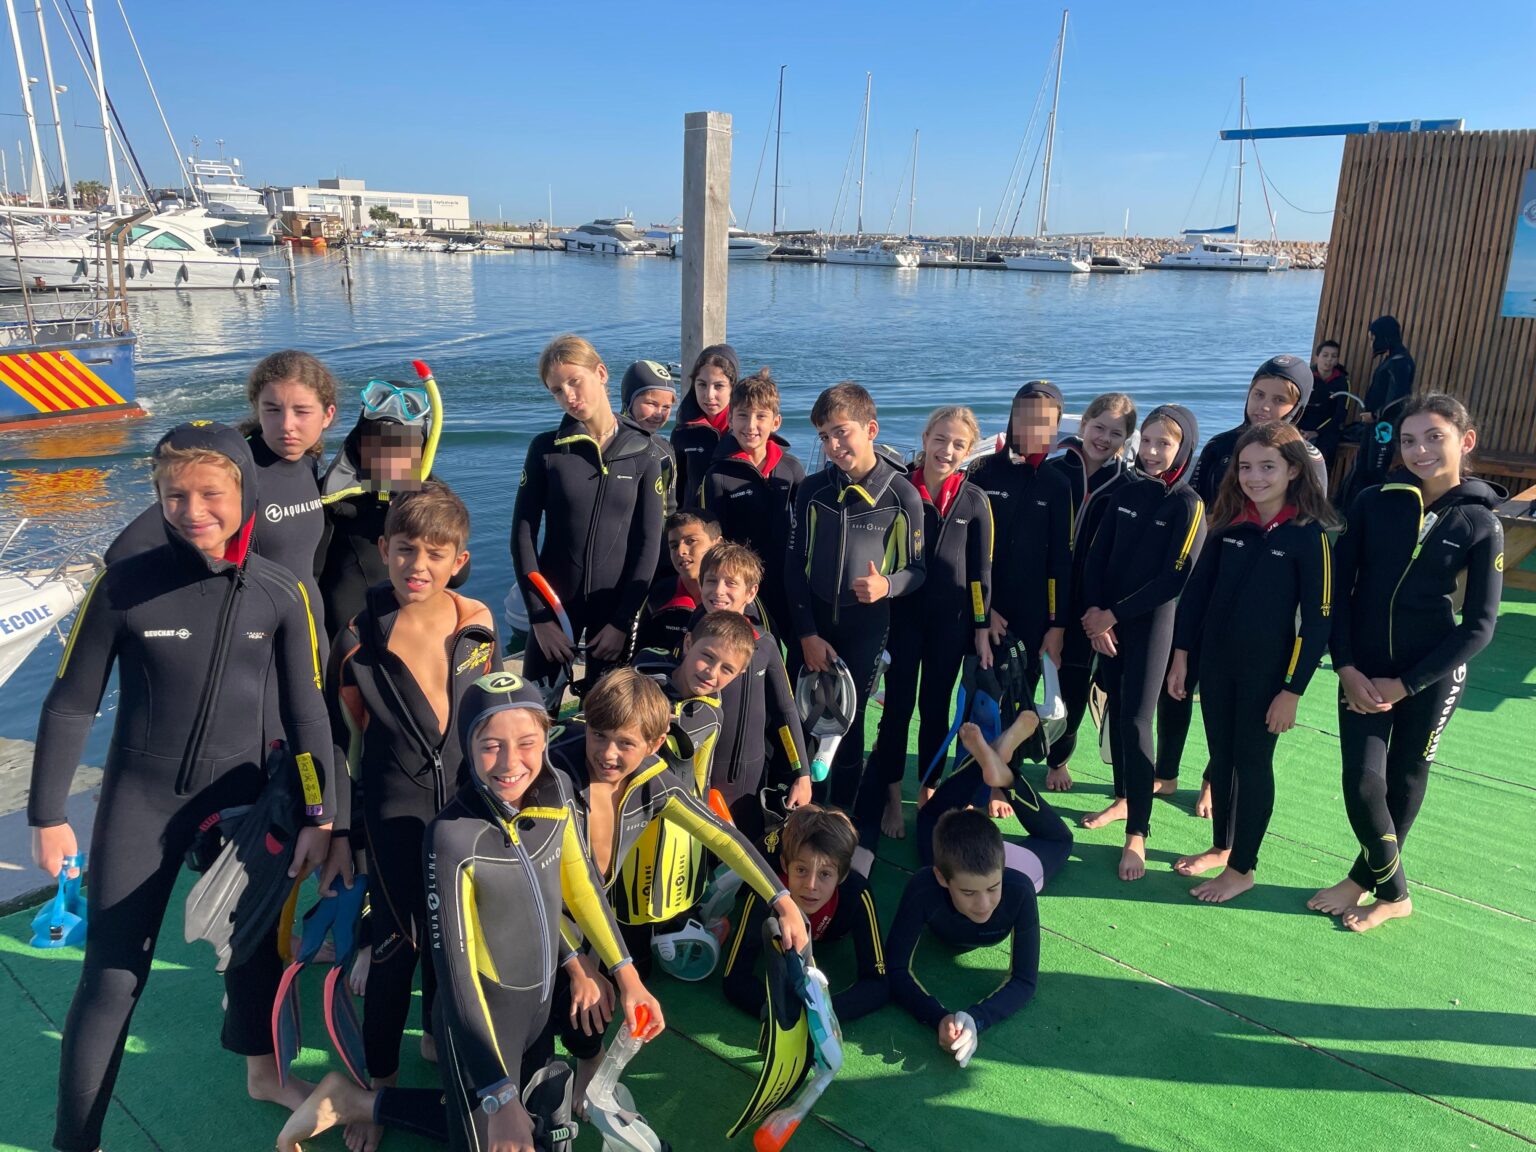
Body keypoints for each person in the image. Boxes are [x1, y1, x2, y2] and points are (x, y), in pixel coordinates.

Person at [29, 422, 335, 1152]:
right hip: (140, 799)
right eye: (175, 496)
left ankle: (264, 1075)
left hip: (244, 799)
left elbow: (307, 713)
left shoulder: (281, 591)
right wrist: (47, 813)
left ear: (245, 494)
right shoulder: (122, 587)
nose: (193, 510)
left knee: (253, 952)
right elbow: (69, 703)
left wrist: (322, 813)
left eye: (211, 494)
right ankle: (75, 1142)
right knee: (113, 978)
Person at [275, 671, 665, 1152]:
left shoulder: (557, 791)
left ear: (547, 739)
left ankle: (357, 1102)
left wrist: (627, 976)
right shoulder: (453, 837)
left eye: (527, 743)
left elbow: (582, 888)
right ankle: (362, 1102)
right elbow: (455, 974)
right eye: (490, 746)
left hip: (538, 1011)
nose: (510, 763)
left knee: (540, 1134)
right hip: (477, 1026)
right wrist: (499, 1097)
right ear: (467, 745)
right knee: (487, 1132)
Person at [324, 481, 497, 1145]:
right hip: (393, 809)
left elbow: (491, 715)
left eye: (434, 553)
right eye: (404, 550)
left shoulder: (477, 621)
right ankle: (376, 1085)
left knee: (456, 939)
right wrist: (342, 830)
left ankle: (432, 1034)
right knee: (398, 948)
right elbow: (341, 742)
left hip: (466, 808)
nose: (416, 565)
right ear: (383, 548)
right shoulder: (357, 638)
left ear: (459, 560)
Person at [547, 669, 808, 1100]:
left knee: (593, 997)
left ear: (654, 744)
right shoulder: (554, 780)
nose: (607, 754)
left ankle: (588, 1056)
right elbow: (532, 891)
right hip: (527, 905)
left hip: (589, 907)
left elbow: (722, 837)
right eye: (598, 735)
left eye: (625, 743)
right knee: (546, 1003)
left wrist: (782, 900)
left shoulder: (654, 779)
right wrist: (578, 964)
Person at [1309, 393, 1503, 931]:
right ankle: (1395, 892)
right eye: (1409, 440)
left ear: (1465, 441)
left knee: (1404, 779)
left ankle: (1364, 882)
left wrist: (1407, 685)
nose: (1420, 451)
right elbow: (1337, 593)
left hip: (1430, 677)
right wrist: (1346, 666)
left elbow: (1480, 626)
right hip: (1363, 670)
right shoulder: (1374, 502)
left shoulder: (1480, 522)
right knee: (1362, 783)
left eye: (1434, 437)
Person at [1166, 423, 1338, 903]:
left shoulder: (1309, 536)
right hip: (1217, 665)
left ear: (1294, 471)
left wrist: (1292, 691)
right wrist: (1181, 657)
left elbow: (1318, 623)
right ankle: (1222, 846)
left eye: (1267, 467)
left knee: (1252, 762)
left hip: (1268, 674)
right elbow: (1195, 598)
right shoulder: (1229, 525)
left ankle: (1243, 869)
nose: (1255, 477)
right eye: (1246, 467)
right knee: (1221, 758)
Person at [1164, 354, 1326, 814]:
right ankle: (1166, 771)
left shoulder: (1306, 459)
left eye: (1279, 399)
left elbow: (1307, 525)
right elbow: (1193, 506)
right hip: (1208, 578)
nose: (1264, 406)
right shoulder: (1220, 447)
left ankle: (1213, 778)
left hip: (1261, 604)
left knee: (1240, 715)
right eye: (1258, 394)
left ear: (1298, 407)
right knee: (1179, 685)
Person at [107, 350, 338, 639]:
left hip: (309, 632)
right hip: (253, 638)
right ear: (257, 408)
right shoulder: (237, 471)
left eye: (301, 411)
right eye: (272, 410)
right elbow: (126, 549)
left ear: (327, 415)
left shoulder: (308, 463)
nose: (287, 425)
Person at [885, 713, 1067, 1067]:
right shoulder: (926, 885)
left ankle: (1002, 773)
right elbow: (895, 969)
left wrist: (976, 1019)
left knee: (1061, 841)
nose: (984, 905)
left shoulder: (1017, 888)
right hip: (960, 857)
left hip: (1005, 864)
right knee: (931, 816)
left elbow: (1025, 980)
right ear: (943, 879)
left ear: (1003, 871)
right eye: (968, 893)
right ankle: (998, 768)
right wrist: (938, 1017)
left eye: (991, 889)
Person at [783, 381, 926, 818]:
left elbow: (918, 570)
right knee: (800, 714)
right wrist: (806, 635)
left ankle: (841, 813)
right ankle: (801, 807)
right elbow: (794, 568)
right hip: (812, 624)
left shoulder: (902, 495)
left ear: (871, 429)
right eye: (824, 436)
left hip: (865, 628)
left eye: (841, 431)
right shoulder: (812, 490)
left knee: (848, 721)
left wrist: (888, 586)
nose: (832, 445)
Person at [1079, 405, 1206, 881]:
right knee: (1114, 708)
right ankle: (1122, 798)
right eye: (1146, 441)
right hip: (1106, 624)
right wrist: (1095, 616)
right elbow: (1095, 557)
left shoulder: (1188, 504)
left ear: (1183, 448)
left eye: (1163, 444)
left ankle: (1138, 833)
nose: (1151, 452)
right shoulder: (1126, 492)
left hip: (1151, 625)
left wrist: (1110, 615)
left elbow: (1175, 578)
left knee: (1136, 721)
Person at [512, 335, 664, 707]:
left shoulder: (644, 452)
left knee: (606, 719)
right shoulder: (547, 450)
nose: (568, 395)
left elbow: (648, 544)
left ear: (601, 373)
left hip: (613, 617)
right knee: (533, 713)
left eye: (574, 381)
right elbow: (522, 535)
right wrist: (539, 619)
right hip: (554, 610)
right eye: (557, 390)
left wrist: (622, 621)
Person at [866, 406, 993, 841]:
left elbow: (981, 573)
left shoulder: (974, 500)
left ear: (969, 450)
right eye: (940, 439)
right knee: (897, 709)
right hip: (903, 620)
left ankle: (927, 790)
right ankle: (891, 794)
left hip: (950, 624)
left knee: (935, 710)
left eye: (958, 444)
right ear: (924, 438)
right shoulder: (899, 490)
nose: (947, 450)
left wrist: (980, 628)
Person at [317, 373, 465, 645]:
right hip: (347, 640)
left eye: (401, 446)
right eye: (379, 444)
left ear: (421, 449)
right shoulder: (329, 499)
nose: (390, 457)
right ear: (359, 445)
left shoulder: (433, 500)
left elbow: (458, 575)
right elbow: (308, 576)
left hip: (416, 638)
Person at [1043, 392, 1137, 792]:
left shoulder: (1127, 487)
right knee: (1020, 676)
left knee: (1073, 685)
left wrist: (1106, 612)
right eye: (1098, 427)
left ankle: (1058, 759)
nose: (1104, 438)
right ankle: (1006, 753)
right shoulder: (1052, 471)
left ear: (1126, 440)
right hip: (1040, 593)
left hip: (1087, 604)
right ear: (1083, 425)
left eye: (1116, 433)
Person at [721, 804, 888, 1023]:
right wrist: (786, 1012)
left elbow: (878, 983)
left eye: (825, 874)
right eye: (801, 870)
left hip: (847, 880)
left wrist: (823, 1014)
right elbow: (734, 979)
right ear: (785, 865)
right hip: (770, 848)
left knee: (867, 844)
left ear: (842, 875)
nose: (811, 885)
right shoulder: (765, 892)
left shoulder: (856, 893)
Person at [697, 542, 811, 840]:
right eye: (711, 580)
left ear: (751, 593)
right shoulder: (688, 640)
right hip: (694, 776)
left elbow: (785, 712)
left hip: (746, 781)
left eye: (730, 583)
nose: (718, 590)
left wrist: (801, 773)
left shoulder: (764, 645)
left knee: (745, 852)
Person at [970, 381, 1074, 674]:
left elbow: (1060, 561)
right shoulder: (981, 471)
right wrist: (983, 612)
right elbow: (966, 550)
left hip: (1032, 615)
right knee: (978, 695)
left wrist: (1057, 627)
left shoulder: (1057, 484)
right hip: (982, 609)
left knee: (1022, 696)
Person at [699, 367, 806, 636]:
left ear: (776, 422)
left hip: (787, 576)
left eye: (761, 416)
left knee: (796, 642)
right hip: (742, 584)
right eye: (743, 416)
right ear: (730, 419)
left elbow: (807, 525)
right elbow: (715, 540)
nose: (750, 426)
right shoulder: (718, 475)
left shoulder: (791, 468)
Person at [1342, 315, 1416, 506]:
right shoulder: (1392, 358)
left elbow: (1399, 398)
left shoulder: (1400, 362)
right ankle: (1354, 509)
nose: (1372, 343)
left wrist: (1375, 415)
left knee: (1375, 470)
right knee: (1363, 467)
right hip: (1376, 426)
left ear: (1384, 336)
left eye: (1373, 338)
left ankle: (1370, 510)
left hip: (1384, 427)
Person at [621, 358, 681, 584]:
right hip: (614, 553)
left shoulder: (665, 451)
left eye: (666, 407)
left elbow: (670, 509)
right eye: (651, 403)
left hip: (655, 556)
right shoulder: (609, 446)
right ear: (628, 400)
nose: (659, 413)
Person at [633, 510, 719, 655]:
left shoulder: (737, 596)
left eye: (691, 541)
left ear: (717, 544)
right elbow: (642, 657)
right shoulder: (660, 596)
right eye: (674, 546)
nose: (680, 551)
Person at [671, 343, 738, 509]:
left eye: (719, 386)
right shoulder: (683, 432)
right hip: (695, 522)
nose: (709, 395)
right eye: (702, 384)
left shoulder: (746, 431)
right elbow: (676, 492)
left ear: (733, 387)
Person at [1300, 339, 1351, 471]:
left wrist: (1316, 432)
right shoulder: (1305, 378)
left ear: (1337, 360)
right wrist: (1299, 429)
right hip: (1303, 426)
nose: (1329, 360)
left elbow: (1341, 414)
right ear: (1317, 357)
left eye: (1334, 356)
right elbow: (1295, 406)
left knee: (1325, 452)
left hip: (1327, 427)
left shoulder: (1342, 382)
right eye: (1325, 355)